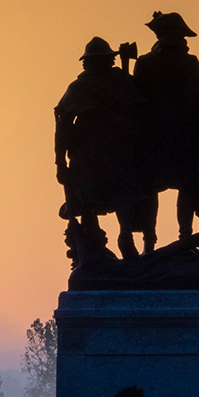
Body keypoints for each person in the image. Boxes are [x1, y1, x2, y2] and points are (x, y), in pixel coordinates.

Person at [55, 36, 156, 259]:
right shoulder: (119, 81)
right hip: (113, 146)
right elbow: (139, 110)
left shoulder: (79, 87)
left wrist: (61, 162)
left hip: (93, 148)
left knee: (89, 197)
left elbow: (62, 125)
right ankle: (121, 235)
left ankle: (111, 237)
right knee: (120, 191)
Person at [132, 11, 199, 238]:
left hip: (160, 131)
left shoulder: (146, 62)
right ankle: (172, 236)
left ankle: (168, 237)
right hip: (176, 131)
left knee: (158, 185)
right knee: (183, 184)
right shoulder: (187, 62)